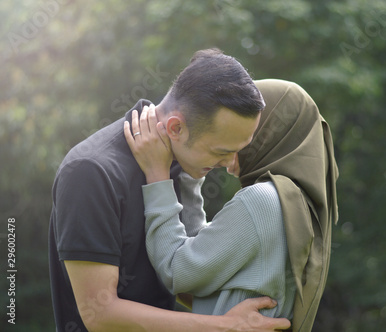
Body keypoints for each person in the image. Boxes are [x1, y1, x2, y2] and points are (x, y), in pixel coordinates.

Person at [49, 49, 291, 332]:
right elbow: (100, 314)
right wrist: (224, 326)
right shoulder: (91, 172)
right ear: (176, 128)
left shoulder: (179, 166)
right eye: (221, 152)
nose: (230, 164)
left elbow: (181, 280)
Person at [124, 79, 339, 332]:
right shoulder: (296, 204)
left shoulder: (263, 200)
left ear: (270, 133)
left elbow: (177, 271)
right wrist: (192, 172)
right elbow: (200, 270)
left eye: (246, 137)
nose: (230, 155)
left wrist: (158, 175)